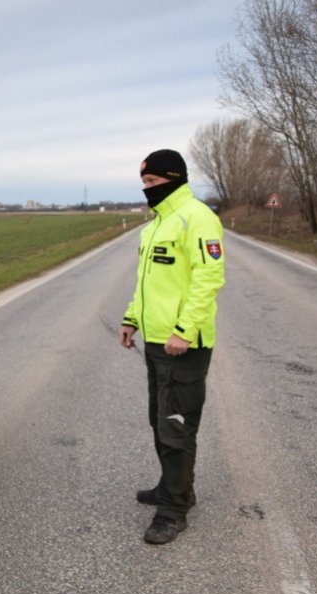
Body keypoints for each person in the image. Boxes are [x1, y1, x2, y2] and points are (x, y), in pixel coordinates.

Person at [118, 149, 225, 545]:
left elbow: (208, 279)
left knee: (177, 426)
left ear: (174, 177)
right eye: (143, 183)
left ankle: (174, 510)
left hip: (184, 345)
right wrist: (132, 319)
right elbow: (147, 286)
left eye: (152, 182)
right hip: (156, 341)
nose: (146, 189)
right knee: (159, 420)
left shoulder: (197, 218)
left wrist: (184, 329)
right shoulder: (155, 226)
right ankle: (174, 486)